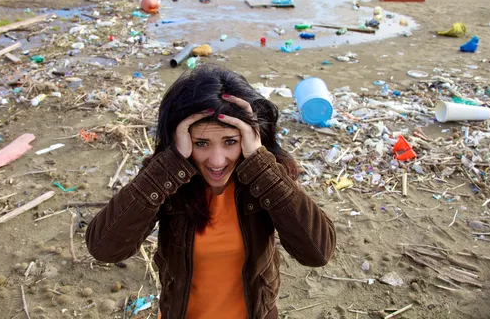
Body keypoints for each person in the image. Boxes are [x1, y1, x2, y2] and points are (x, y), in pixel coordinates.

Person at [86, 65, 336, 319]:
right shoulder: (168, 181)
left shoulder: (266, 179)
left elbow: (317, 253)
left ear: (251, 138)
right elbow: (105, 249)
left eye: (230, 141)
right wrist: (170, 164)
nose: (217, 161)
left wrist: (261, 164)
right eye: (201, 143)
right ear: (181, 140)